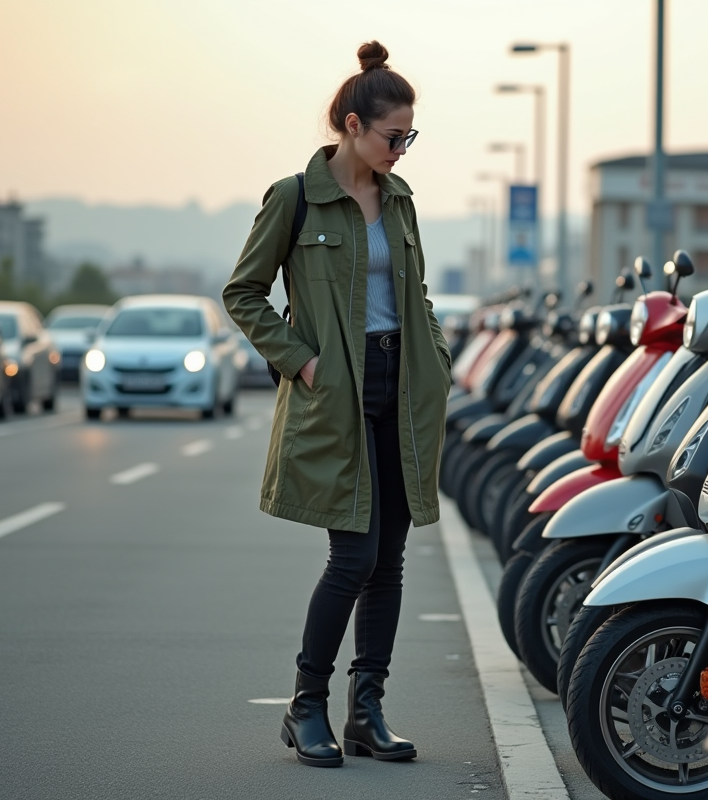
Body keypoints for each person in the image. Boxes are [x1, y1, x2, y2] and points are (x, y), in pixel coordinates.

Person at [223, 40, 452, 768]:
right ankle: (306, 706)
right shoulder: (295, 197)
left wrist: (437, 359)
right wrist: (302, 361)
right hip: (336, 391)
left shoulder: (400, 200)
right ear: (353, 126)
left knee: (390, 558)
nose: (401, 150)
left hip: (403, 390)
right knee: (353, 555)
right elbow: (243, 292)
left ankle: (367, 710)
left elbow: (415, 294)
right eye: (393, 136)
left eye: (410, 136)